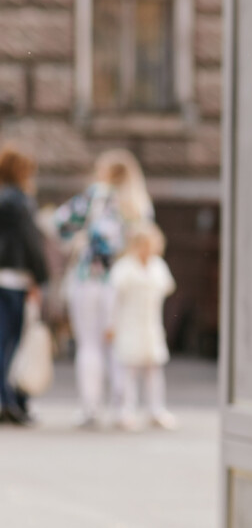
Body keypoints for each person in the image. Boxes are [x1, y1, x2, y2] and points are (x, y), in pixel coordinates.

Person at [54, 148, 155, 427]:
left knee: (89, 345)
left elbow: (59, 222)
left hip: (89, 279)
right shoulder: (139, 204)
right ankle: (124, 407)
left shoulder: (93, 197)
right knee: (119, 346)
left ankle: (91, 407)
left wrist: (79, 238)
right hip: (123, 282)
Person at [108, 221, 176, 431]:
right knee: (128, 371)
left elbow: (167, 288)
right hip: (129, 324)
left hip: (150, 325)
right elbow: (114, 299)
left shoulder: (158, 266)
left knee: (153, 370)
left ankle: (156, 409)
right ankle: (125, 410)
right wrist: (111, 325)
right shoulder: (124, 268)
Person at [0, 143, 48, 425]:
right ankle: (8, 400)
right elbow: (32, 243)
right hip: (16, 278)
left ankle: (7, 398)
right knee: (9, 342)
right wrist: (40, 278)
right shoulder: (19, 201)